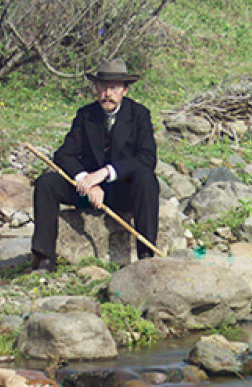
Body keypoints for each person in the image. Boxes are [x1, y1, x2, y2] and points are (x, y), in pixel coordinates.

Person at [30, 58, 159, 272]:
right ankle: (44, 258)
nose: (108, 93)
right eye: (103, 87)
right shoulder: (86, 115)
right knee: (46, 184)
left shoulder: (139, 115)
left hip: (123, 192)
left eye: (114, 88)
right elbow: (63, 155)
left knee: (147, 180)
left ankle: (145, 256)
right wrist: (85, 180)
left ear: (125, 90)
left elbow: (147, 159)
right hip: (87, 192)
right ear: (96, 88)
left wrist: (106, 173)